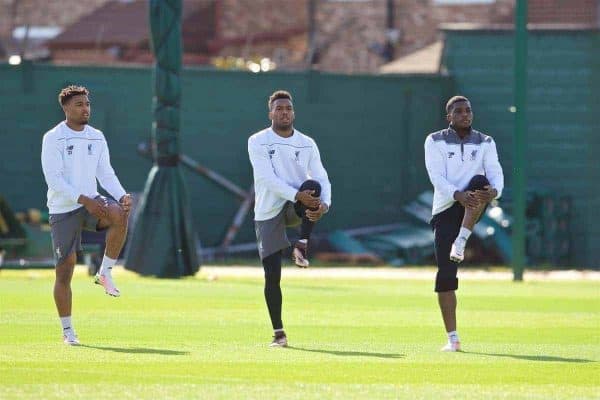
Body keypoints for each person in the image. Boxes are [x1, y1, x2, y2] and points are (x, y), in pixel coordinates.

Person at [41, 85, 131, 345]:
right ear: (66, 108)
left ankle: (105, 272)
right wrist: (83, 200)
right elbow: (54, 179)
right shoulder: (53, 137)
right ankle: (68, 331)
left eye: (87, 104)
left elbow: (105, 173)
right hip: (63, 207)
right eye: (79, 104)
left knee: (119, 213)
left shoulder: (97, 136)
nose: (85, 109)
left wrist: (122, 195)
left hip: (91, 202)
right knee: (65, 269)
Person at [248, 90, 332, 347]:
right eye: (279, 108)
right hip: (269, 210)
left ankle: (302, 244)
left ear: (293, 112)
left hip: (297, 205)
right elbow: (265, 179)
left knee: (314, 186)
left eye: (288, 108)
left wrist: (324, 205)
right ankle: (279, 333)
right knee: (272, 274)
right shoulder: (258, 140)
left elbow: (322, 175)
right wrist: (298, 195)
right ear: (270, 113)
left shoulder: (307, 142)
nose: (284, 112)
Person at [424, 95, 504, 352]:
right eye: (458, 112)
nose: (465, 115)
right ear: (449, 116)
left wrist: (494, 192)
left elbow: (496, 173)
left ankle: (462, 239)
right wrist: (458, 194)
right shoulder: (434, 140)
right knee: (446, 274)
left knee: (481, 181)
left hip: (475, 202)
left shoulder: (486, 142)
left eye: (468, 111)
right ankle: (453, 338)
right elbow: (436, 176)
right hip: (446, 208)